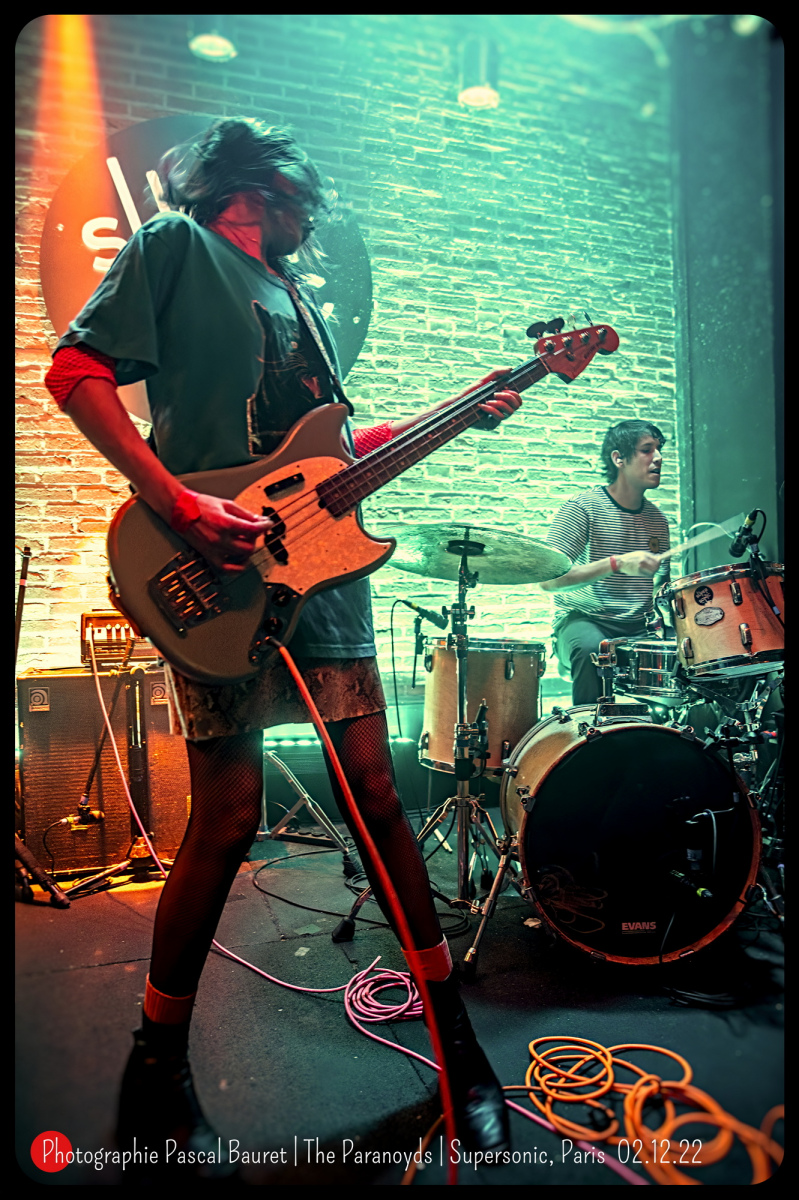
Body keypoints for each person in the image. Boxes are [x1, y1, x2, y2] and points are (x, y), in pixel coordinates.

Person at [44, 116, 523, 1172]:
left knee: (378, 798)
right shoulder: (177, 246)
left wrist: (459, 413)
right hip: (212, 574)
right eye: (308, 198)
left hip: (328, 590)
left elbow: (332, 451)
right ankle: (154, 1067)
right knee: (226, 817)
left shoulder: (299, 299)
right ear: (265, 185)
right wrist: (174, 499)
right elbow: (74, 370)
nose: (315, 217)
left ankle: (460, 1054)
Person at [539, 419, 671, 705]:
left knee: (688, 654)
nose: (659, 458)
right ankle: (589, 730)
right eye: (647, 449)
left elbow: (661, 588)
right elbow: (549, 581)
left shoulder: (657, 520)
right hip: (583, 620)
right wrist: (616, 563)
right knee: (595, 649)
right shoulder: (582, 508)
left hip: (639, 626)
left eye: (660, 449)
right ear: (619, 458)